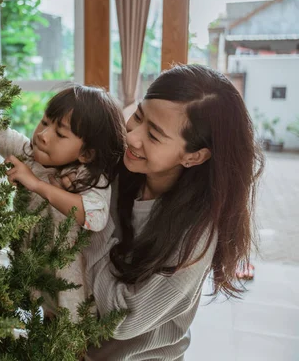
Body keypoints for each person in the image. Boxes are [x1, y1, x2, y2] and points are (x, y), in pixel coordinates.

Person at [52, 65, 263, 359]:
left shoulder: (196, 236)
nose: (133, 137)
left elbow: (122, 319)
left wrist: (92, 221)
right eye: (138, 116)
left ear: (194, 156)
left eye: (154, 136)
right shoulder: (122, 166)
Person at [0, 84, 126, 320]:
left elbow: (95, 215)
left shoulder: (87, 176)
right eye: (45, 122)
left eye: (60, 134)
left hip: (70, 283)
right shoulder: (30, 154)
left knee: (66, 337)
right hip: (31, 267)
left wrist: (38, 185)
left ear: (86, 154)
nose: (43, 135)